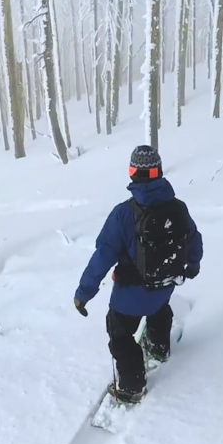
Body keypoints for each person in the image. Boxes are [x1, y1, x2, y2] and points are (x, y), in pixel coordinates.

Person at [74, 145, 203, 404]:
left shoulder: (123, 213)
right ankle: (158, 347)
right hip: (166, 284)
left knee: (120, 335)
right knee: (159, 309)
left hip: (130, 295)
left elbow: (103, 256)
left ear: (132, 173)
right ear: (159, 172)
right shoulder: (178, 207)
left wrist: (83, 293)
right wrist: (192, 266)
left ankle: (132, 388)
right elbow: (194, 239)